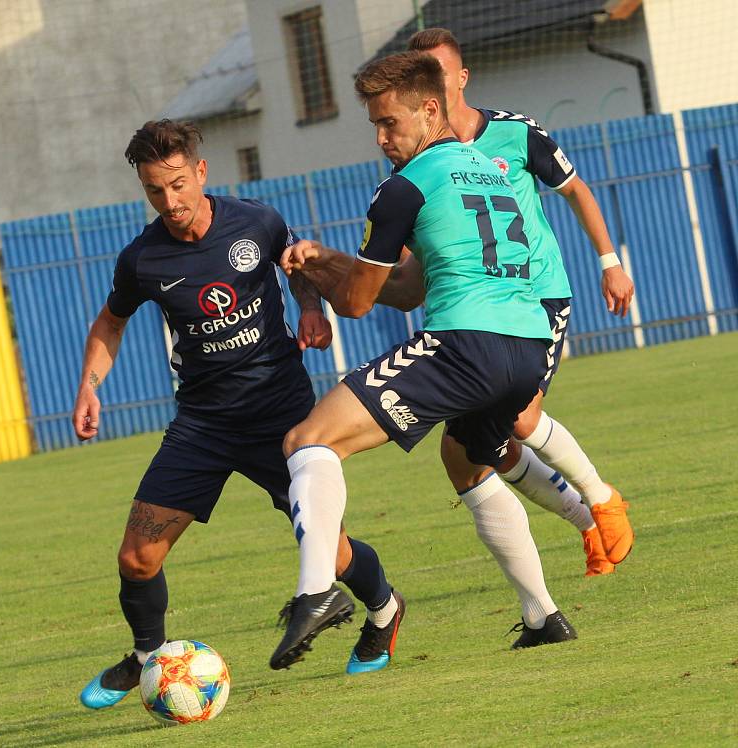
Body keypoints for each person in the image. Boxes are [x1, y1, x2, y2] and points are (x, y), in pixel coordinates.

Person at [75, 120, 403, 710]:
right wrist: (89, 386)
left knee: (331, 549)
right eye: (155, 191)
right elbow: (110, 322)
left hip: (281, 416)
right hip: (202, 424)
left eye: (177, 184)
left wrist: (310, 311)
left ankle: (384, 608)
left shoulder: (255, 221)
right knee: (136, 555)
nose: (170, 202)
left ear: (200, 172)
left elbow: (298, 269)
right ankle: (151, 659)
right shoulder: (142, 258)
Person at [270, 51, 578, 672]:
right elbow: (409, 288)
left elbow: (357, 303)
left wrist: (319, 266)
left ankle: (317, 592)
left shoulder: (403, 188)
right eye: (376, 127)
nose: (383, 139)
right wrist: (333, 259)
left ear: (429, 108)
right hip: (528, 348)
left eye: (390, 123)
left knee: (308, 440)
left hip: (467, 344)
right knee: (465, 463)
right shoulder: (487, 166)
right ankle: (543, 615)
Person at [404, 28, 635, 575]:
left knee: (524, 418)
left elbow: (575, 188)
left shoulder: (513, 134)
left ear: (460, 79)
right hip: (475, 317)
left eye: (438, 74)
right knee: (485, 449)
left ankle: (604, 498)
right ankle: (587, 525)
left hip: (537, 297)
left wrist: (610, 262)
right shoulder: (415, 163)